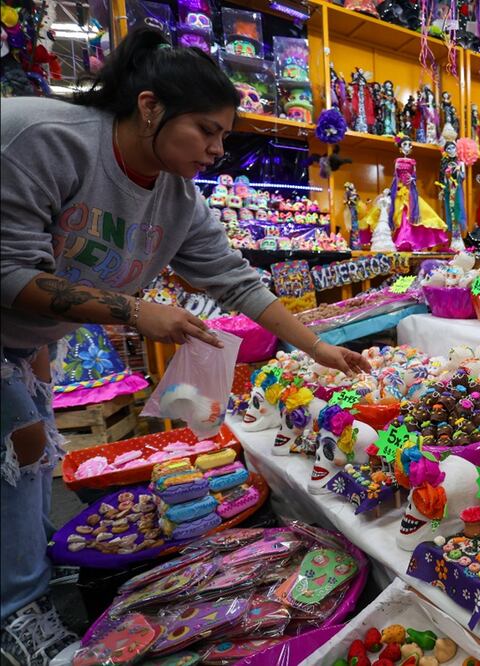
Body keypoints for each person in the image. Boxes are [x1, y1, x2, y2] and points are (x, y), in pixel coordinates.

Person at [0, 27, 369, 664]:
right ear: (149, 108)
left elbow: (236, 280)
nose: (218, 150)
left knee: (30, 463)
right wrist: (136, 311)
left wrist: (318, 349)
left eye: (224, 136)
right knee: (17, 459)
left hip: (28, 338)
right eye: (207, 130)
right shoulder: (41, 138)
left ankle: (31, 573)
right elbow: (8, 274)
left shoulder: (176, 198)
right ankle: (18, 615)